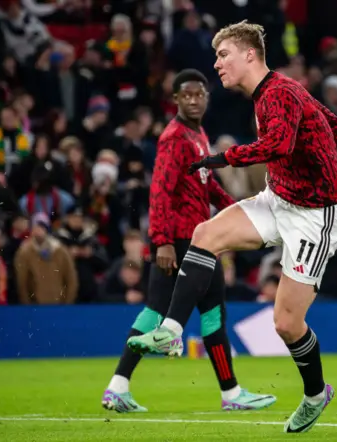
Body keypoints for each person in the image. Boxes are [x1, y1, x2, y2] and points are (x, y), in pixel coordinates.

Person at [127, 22, 337, 433]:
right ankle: (170, 331)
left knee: (286, 324)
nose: (217, 63)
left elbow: (278, 145)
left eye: (223, 55)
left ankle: (314, 394)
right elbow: (336, 124)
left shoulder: (281, 93)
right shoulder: (270, 94)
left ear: (249, 55)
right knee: (205, 235)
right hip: (278, 199)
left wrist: (223, 158)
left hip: (315, 214)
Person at [102, 69, 276, 413]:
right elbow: (160, 191)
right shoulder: (174, 138)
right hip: (183, 241)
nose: (194, 99)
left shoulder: (197, 135)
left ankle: (118, 387)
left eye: (200, 94)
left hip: (196, 238)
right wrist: (162, 242)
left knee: (162, 314)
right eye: (188, 95)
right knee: (203, 315)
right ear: (176, 99)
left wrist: (239, 209)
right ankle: (231, 394)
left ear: (207, 98)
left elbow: (206, 184)